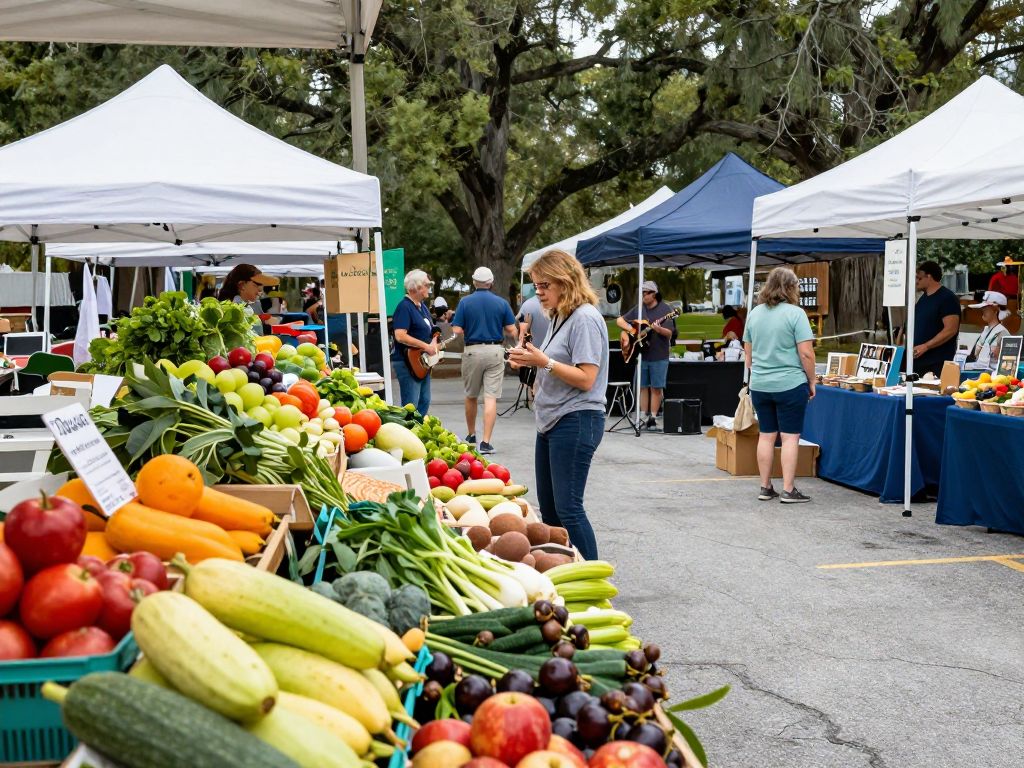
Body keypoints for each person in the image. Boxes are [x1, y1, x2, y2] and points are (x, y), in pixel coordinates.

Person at [507, 249, 608, 561]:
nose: (538, 293)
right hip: (552, 420)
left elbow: (586, 378)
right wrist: (528, 359)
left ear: (565, 282)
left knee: (569, 508)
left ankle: (591, 577)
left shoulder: (586, 319)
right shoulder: (561, 316)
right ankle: (561, 570)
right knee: (549, 510)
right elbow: (551, 362)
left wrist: (543, 361)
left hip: (576, 419)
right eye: (535, 286)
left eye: (544, 286)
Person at [743, 267, 816, 504]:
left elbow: (748, 352)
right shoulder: (796, 314)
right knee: (789, 437)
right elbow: (806, 354)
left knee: (766, 435)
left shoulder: (754, 313)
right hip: (789, 383)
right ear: (791, 287)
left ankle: (765, 487)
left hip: (761, 384)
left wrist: (758, 372)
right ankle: (788, 489)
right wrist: (812, 380)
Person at [451, 266, 517, 454]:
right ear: (491, 282)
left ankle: (471, 435)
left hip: (472, 350)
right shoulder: (502, 303)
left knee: (471, 395)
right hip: (495, 350)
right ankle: (486, 442)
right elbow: (512, 329)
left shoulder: (465, 302)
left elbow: (456, 330)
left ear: (474, 282)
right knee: (491, 397)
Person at [615, 281, 674, 431]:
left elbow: (669, 334)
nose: (643, 296)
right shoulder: (639, 309)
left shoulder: (665, 310)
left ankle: (653, 418)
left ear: (653, 294)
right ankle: (642, 415)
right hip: (642, 354)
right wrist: (632, 330)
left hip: (659, 355)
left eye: (645, 293)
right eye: (642, 293)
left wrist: (659, 329)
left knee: (656, 388)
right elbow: (619, 320)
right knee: (642, 386)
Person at [392, 269, 437, 415]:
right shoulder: (404, 307)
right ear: (415, 288)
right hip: (407, 362)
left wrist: (434, 341)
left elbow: (430, 330)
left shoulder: (422, 306)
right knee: (412, 405)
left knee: (424, 400)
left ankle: (417, 431)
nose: (429, 288)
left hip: (422, 361)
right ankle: (410, 432)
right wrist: (425, 346)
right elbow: (400, 335)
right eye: (426, 285)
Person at [912, 260, 961, 377]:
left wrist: (926, 346)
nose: (916, 282)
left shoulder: (947, 298)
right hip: (918, 361)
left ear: (929, 277)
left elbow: (951, 329)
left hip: (936, 363)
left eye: (919, 278)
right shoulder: (923, 299)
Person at [966, 291, 1010, 366]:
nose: (983, 311)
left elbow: (1009, 361)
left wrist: (999, 355)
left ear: (996, 310)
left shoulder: (1002, 332)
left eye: (986, 308)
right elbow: (976, 354)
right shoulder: (986, 330)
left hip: (992, 374)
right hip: (979, 370)